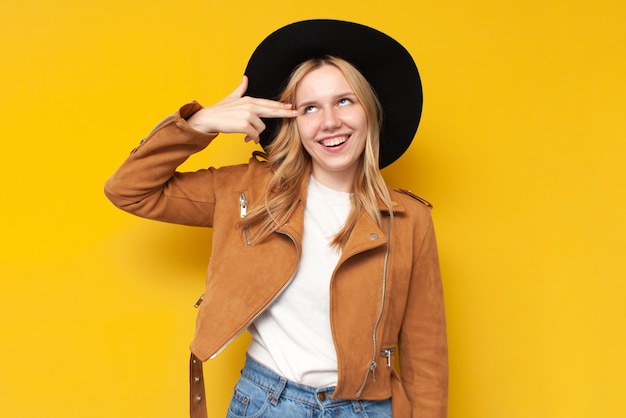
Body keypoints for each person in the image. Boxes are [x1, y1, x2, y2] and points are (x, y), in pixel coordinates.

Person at [105, 19, 447, 418]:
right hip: (269, 403)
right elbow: (128, 189)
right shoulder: (248, 191)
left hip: (367, 408)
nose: (329, 122)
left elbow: (427, 353)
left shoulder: (409, 219)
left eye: (344, 101)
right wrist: (200, 125)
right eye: (310, 108)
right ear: (293, 122)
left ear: (369, 111)